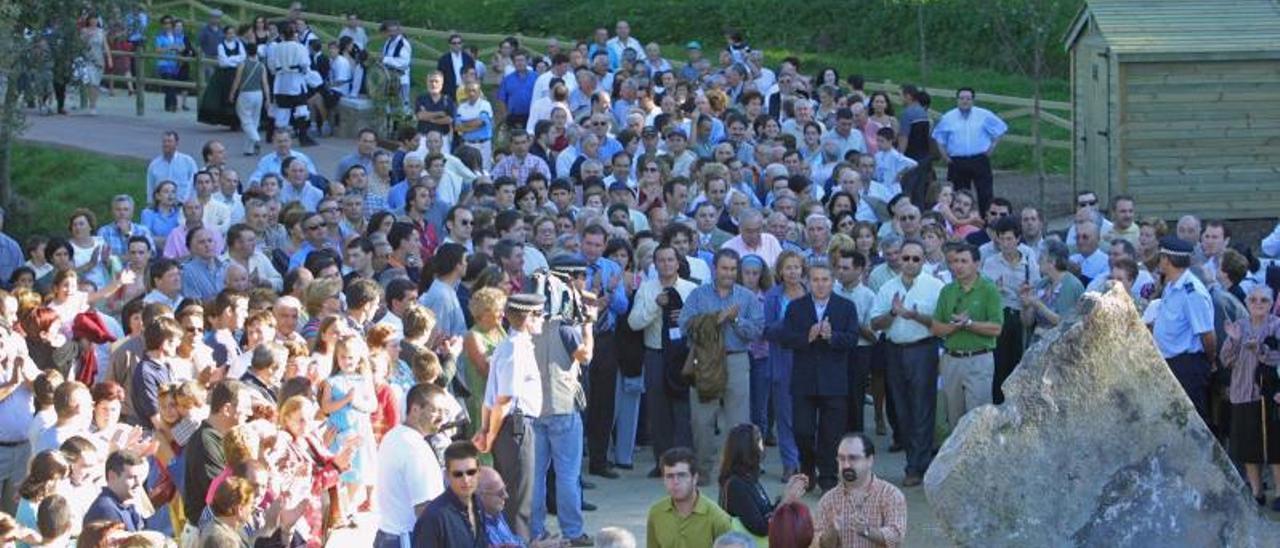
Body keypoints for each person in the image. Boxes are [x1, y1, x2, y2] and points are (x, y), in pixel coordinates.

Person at [679, 249, 764, 480]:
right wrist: (715, 320)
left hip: (736, 358)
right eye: (724, 268)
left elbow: (756, 331)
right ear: (715, 268)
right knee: (701, 419)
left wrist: (735, 320)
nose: (729, 273)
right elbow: (684, 324)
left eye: (733, 269)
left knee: (738, 422)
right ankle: (704, 470)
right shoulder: (698, 295)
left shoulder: (747, 297)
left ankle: (735, 472)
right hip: (705, 360)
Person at [528, 257, 596, 547]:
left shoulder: (527, 326)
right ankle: (572, 531)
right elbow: (586, 357)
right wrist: (588, 326)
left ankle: (535, 530)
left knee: (536, 477)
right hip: (562, 407)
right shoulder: (566, 327)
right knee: (568, 475)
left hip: (534, 408)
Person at [779, 262, 859, 490]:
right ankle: (807, 466)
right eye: (816, 280)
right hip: (804, 379)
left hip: (834, 380)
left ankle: (827, 475)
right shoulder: (796, 307)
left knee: (831, 433)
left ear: (832, 282)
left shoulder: (845, 306)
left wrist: (833, 337)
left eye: (825, 279)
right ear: (808, 281)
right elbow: (786, 338)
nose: (820, 284)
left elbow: (852, 339)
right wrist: (808, 336)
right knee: (802, 430)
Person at [869, 239, 943, 487]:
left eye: (916, 258)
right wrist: (892, 313)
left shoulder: (935, 286)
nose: (910, 263)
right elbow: (874, 323)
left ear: (923, 260)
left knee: (922, 407)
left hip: (923, 349)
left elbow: (940, 324)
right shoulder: (887, 287)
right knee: (901, 409)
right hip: (894, 350)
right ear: (899, 258)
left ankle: (917, 465)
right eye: (906, 258)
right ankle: (913, 460)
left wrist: (914, 315)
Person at [474, 293, 545, 540]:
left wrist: (485, 429)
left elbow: (490, 397)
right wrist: (489, 435)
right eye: (539, 315)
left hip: (508, 426)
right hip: (515, 426)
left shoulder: (509, 345)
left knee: (514, 496)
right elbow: (503, 399)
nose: (543, 320)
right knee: (517, 501)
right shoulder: (516, 348)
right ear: (529, 318)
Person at [629, 245, 698, 474]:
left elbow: (703, 324)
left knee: (683, 408)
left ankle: (685, 462)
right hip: (656, 353)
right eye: (661, 260)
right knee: (658, 409)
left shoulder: (691, 289)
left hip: (683, 354)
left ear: (678, 263)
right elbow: (634, 322)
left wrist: (687, 319)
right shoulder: (647, 290)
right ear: (655, 264)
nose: (666, 264)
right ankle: (663, 462)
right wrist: (655, 306)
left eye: (671, 260)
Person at [931, 242, 1003, 431]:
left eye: (964, 261)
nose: (958, 266)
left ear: (976, 264)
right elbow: (937, 328)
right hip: (951, 359)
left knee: (978, 419)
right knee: (954, 418)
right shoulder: (947, 291)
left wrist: (969, 324)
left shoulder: (989, 289)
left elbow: (996, 328)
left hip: (978, 359)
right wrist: (955, 327)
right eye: (954, 261)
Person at [1220, 285, 1280, 508]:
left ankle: (1279, 492)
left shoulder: (1276, 326)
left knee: (1276, 446)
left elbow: (1276, 358)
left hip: (1270, 395)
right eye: (1253, 299)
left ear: (1271, 303)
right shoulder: (1239, 326)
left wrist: (1260, 350)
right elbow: (1226, 360)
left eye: (1263, 300)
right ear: (1246, 303)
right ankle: (1256, 492)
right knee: (1248, 445)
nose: (1258, 304)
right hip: (1242, 393)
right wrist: (1234, 341)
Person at [373, 383, 451, 548]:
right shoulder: (414, 448)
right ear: (415, 409)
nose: (442, 418)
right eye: (436, 410)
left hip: (388, 537)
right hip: (407, 540)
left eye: (445, 412)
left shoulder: (393, 436)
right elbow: (425, 509)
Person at [1152, 236, 1217, 422]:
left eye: (1162, 256)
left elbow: (1207, 334)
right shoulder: (1171, 285)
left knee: (1193, 420)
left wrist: (1210, 360)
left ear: (1167, 260)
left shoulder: (1192, 292)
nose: (1160, 260)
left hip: (1187, 366)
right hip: (1171, 363)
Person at [716, 424, 807, 539]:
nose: (762, 447)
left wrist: (786, 494)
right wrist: (786, 501)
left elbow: (766, 514)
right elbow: (761, 528)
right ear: (746, 448)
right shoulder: (736, 485)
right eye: (758, 441)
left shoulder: (748, 478)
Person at [815, 433, 907, 547]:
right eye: (841, 459)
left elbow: (896, 538)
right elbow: (820, 545)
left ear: (870, 460)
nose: (846, 465)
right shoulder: (827, 500)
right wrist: (832, 531)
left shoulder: (891, 495)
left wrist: (867, 531)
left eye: (853, 458)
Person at [932, 87, 1007, 214]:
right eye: (962, 98)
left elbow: (1001, 128)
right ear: (957, 100)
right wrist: (945, 157)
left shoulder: (983, 115)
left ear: (973, 100)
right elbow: (939, 137)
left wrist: (992, 147)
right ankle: (959, 221)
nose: (965, 101)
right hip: (957, 161)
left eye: (968, 98)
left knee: (985, 193)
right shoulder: (948, 117)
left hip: (979, 159)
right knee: (957, 195)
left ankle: (986, 221)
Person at [645, 447, 732, 548]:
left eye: (682, 475)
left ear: (695, 478)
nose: (675, 482)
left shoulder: (718, 519)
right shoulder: (656, 513)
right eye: (669, 476)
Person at [412, 441, 487, 547]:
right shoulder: (433, 517)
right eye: (458, 474)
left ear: (479, 472)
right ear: (447, 475)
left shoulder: (478, 505)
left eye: (471, 472)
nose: (465, 480)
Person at [82, 450, 147, 532]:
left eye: (140, 477)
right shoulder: (106, 511)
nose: (138, 483)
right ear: (112, 476)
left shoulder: (124, 505)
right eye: (131, 477)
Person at [147, 131, 199, 204]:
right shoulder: (154, 165)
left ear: (177, 143)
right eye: (164, 141)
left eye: (170, 141)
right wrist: (151, 204)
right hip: (161, 206)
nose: (166, 144)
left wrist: (193, 202)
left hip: (183, 206)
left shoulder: (188, 162)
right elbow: (151, 187)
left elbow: (195, 184)